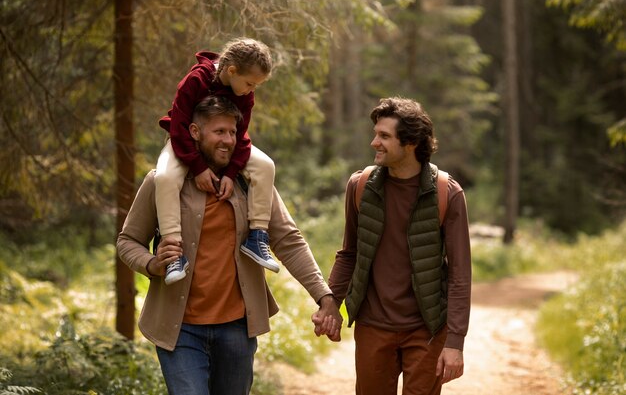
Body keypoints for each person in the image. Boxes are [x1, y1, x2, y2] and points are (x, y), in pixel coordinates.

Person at [118, 96, 342, 395]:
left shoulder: (251, 182)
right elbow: (127, 240)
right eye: (219, 132)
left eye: (233, 132)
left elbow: (288, 240)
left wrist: (323, 295)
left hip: (237, 328)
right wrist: (151, 264)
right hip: (180, 329)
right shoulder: (163, 182)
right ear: (195, 133)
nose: (228, 140)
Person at [320, 97, 472, 395]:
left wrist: (455, 343)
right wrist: (330, 304)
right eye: (376, 133)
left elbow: (459, 275)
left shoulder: (446, 192)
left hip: (427, 329)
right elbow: (349, 253)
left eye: (384, 136)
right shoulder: (360, 185)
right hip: (373, 326)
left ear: (412, 142)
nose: (374, 142)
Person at [155, 37, 279, 285]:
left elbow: (241, 135)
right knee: (164, 177)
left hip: (223, 144)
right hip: (186, 142)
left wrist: (231, 173)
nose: (252, 90)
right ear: (231, 70)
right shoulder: (195, 81)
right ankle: (173, 251)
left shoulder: (244, 94)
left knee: (265, 165)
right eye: (250, 83)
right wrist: (198, 167)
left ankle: (257, 235)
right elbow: (179, 126)